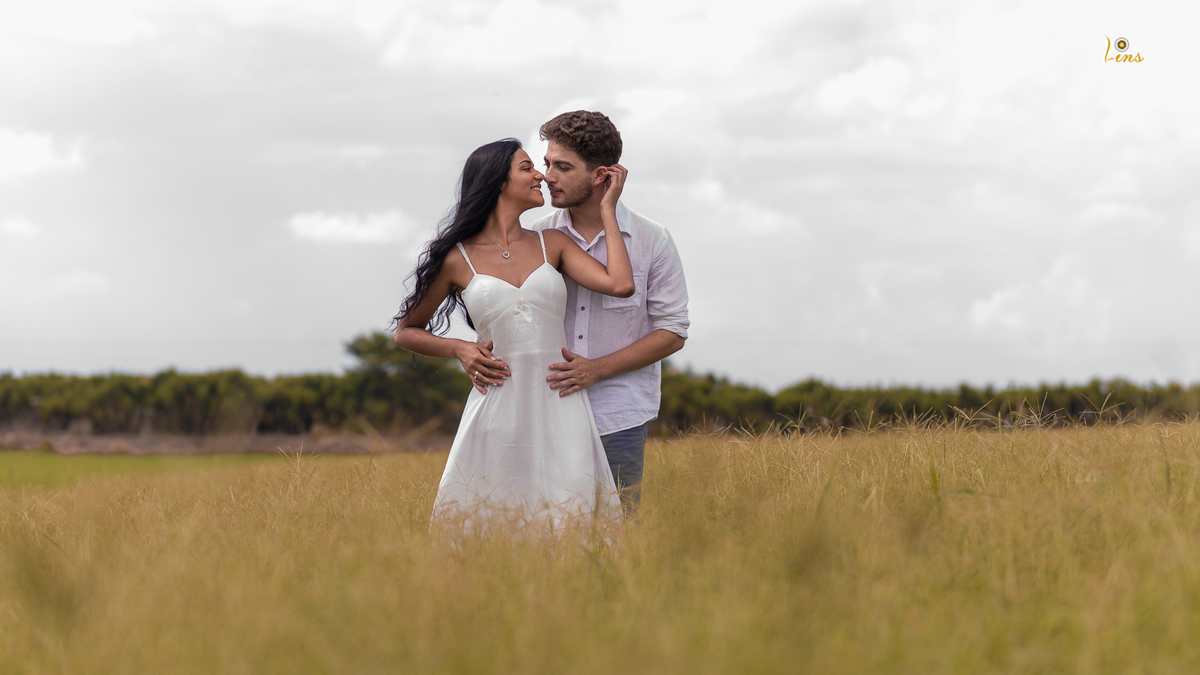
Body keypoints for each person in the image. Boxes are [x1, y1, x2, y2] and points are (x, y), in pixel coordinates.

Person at [392, 137, 635, 530]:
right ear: (497, 182)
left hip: (561, 402)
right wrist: (460, 349)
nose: (540, 174)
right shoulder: (458, 258)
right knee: (494, 517)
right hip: (498, 404)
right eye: (527, 168)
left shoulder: (551, 243)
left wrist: (609, 209)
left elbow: (621, 284)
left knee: (570, 517)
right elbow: (406, 332)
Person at [531, 111, 690, 514]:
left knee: (619, 529)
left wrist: (597, 369)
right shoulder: (537, 238)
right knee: (546, 529)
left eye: (563, 167)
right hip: (546, 409)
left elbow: (672, 330)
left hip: (619, 413)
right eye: (547, 163)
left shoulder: (653, 240)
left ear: (602, 175)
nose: (548, 175)